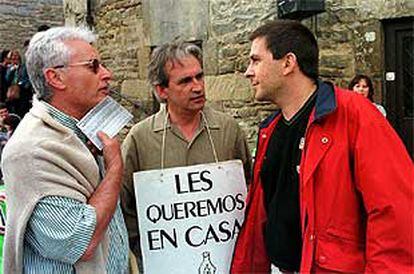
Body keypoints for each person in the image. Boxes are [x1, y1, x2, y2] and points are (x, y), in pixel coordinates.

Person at [231, 20, 413, 273]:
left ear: (288, 63)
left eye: (256, 60)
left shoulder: (355, 114)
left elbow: (395, 212)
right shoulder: (268, 130)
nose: (248, 72)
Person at [1, 26, 129, 273]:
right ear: (55, 77)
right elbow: (80, 241)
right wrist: (114, 168)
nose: (106, 74)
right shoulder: (31, 151)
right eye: (93, 66)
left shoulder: (83, 129)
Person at [121, 41, 252, 269]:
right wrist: (147, 247)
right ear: (162, 90)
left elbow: (250, 189)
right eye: (185, 81)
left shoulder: (229, 130)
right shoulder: (139, 138)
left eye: (199, 77)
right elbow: (124, 206)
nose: (198, 87)